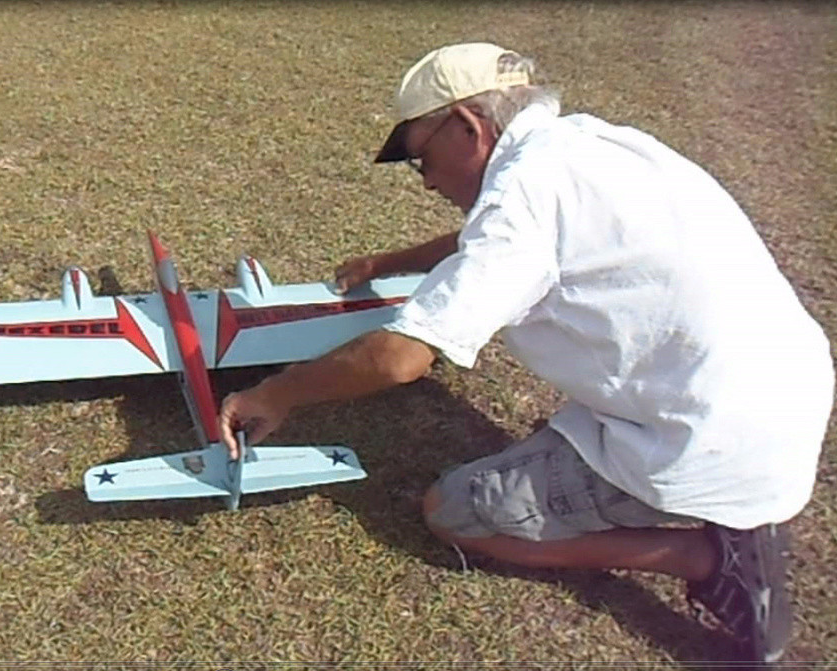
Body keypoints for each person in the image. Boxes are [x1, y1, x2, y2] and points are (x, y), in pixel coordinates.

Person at [217, 42, 833, 664]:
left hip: (707, 439)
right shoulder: (588, 143)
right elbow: (495, 228)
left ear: (467, 127)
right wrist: (392, 263)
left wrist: (274, 393)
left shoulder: (520, 201)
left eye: (418, 157)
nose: (426, 179)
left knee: (455, 513)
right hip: (785, 389)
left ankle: (711, 557)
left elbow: (401, 357)